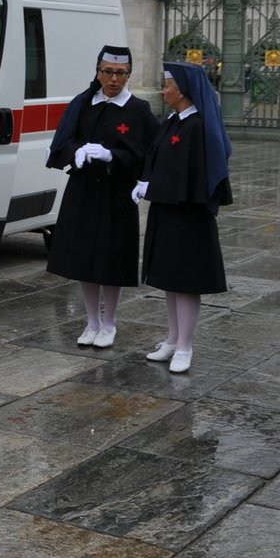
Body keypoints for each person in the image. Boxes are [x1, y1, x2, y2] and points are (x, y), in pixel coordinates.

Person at [45, 46, 160, 348]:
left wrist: (113, 155)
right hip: (84, 190)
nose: (113, 79)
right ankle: (92, 321)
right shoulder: (84, 104)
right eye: (107, 72)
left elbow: (149, 156)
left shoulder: (138, 110)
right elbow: (64, 141)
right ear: (97, 72)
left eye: (120, 73)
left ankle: (110, 323)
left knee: (111, 259)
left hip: (116, 193)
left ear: (128, 75)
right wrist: (76, 152)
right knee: (85, 258)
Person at [133, 61, 233, 373]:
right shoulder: (173, 122)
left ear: (183, 91)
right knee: (170, 280)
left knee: (187, 281)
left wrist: (153, 186)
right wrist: (145, 180)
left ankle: (186, 345)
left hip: (189, 215)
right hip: (167, 211)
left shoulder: (198, 127)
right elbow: (157, 158)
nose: (163, 92)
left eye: (167, 87)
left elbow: (193, 176)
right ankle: (173, 339)